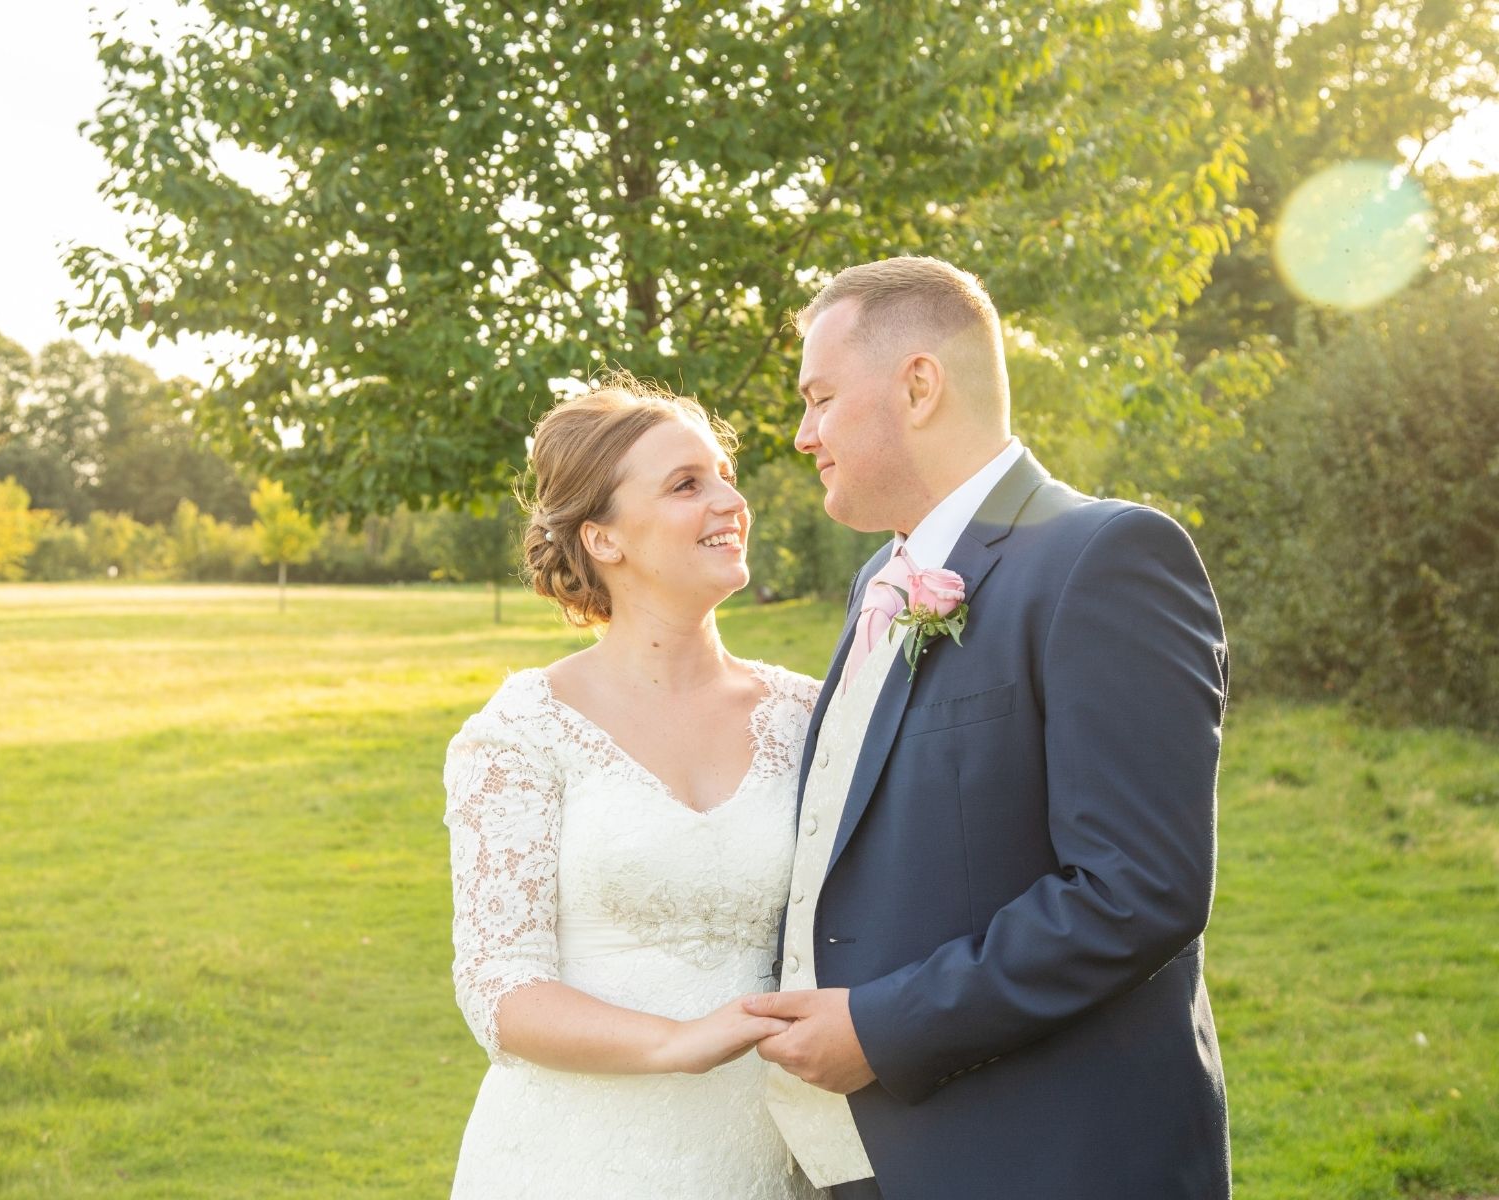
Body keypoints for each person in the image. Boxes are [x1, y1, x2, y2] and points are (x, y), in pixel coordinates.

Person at [744, 256, 1232, 1199]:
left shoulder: (1106, 558)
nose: (804, 435)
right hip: (868, 1159)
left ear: (918, 385)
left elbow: (1137, 891)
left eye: (819, 399)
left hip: (1042, 1156)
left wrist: (881, 1030)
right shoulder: (878, 581)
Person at [442, 376, 826, 1199]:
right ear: (604, 541)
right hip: (570, 1156)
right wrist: (673, 1042)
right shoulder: (522, 731)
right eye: (688, 484)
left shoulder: (806, 716)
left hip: (759, 1149)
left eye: (723, 473)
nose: (730, 498)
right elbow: (499, 986)